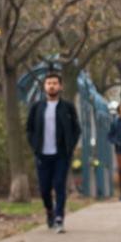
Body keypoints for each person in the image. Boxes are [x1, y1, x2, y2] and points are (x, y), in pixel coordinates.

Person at [24, 71, 81, 233]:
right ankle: (50, 211)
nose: (52, 86)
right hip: (42, 154)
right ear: (44, 87)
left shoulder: (68, 107)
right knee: (44, 189)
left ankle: (59, 218)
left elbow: (76, 129)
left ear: (60, 86)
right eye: (49, 83)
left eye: (55, 83)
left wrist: (70, 145)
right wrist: (35, 146)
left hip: (61, 155)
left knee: (59, 185)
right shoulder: (37, 107)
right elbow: (29, 129)